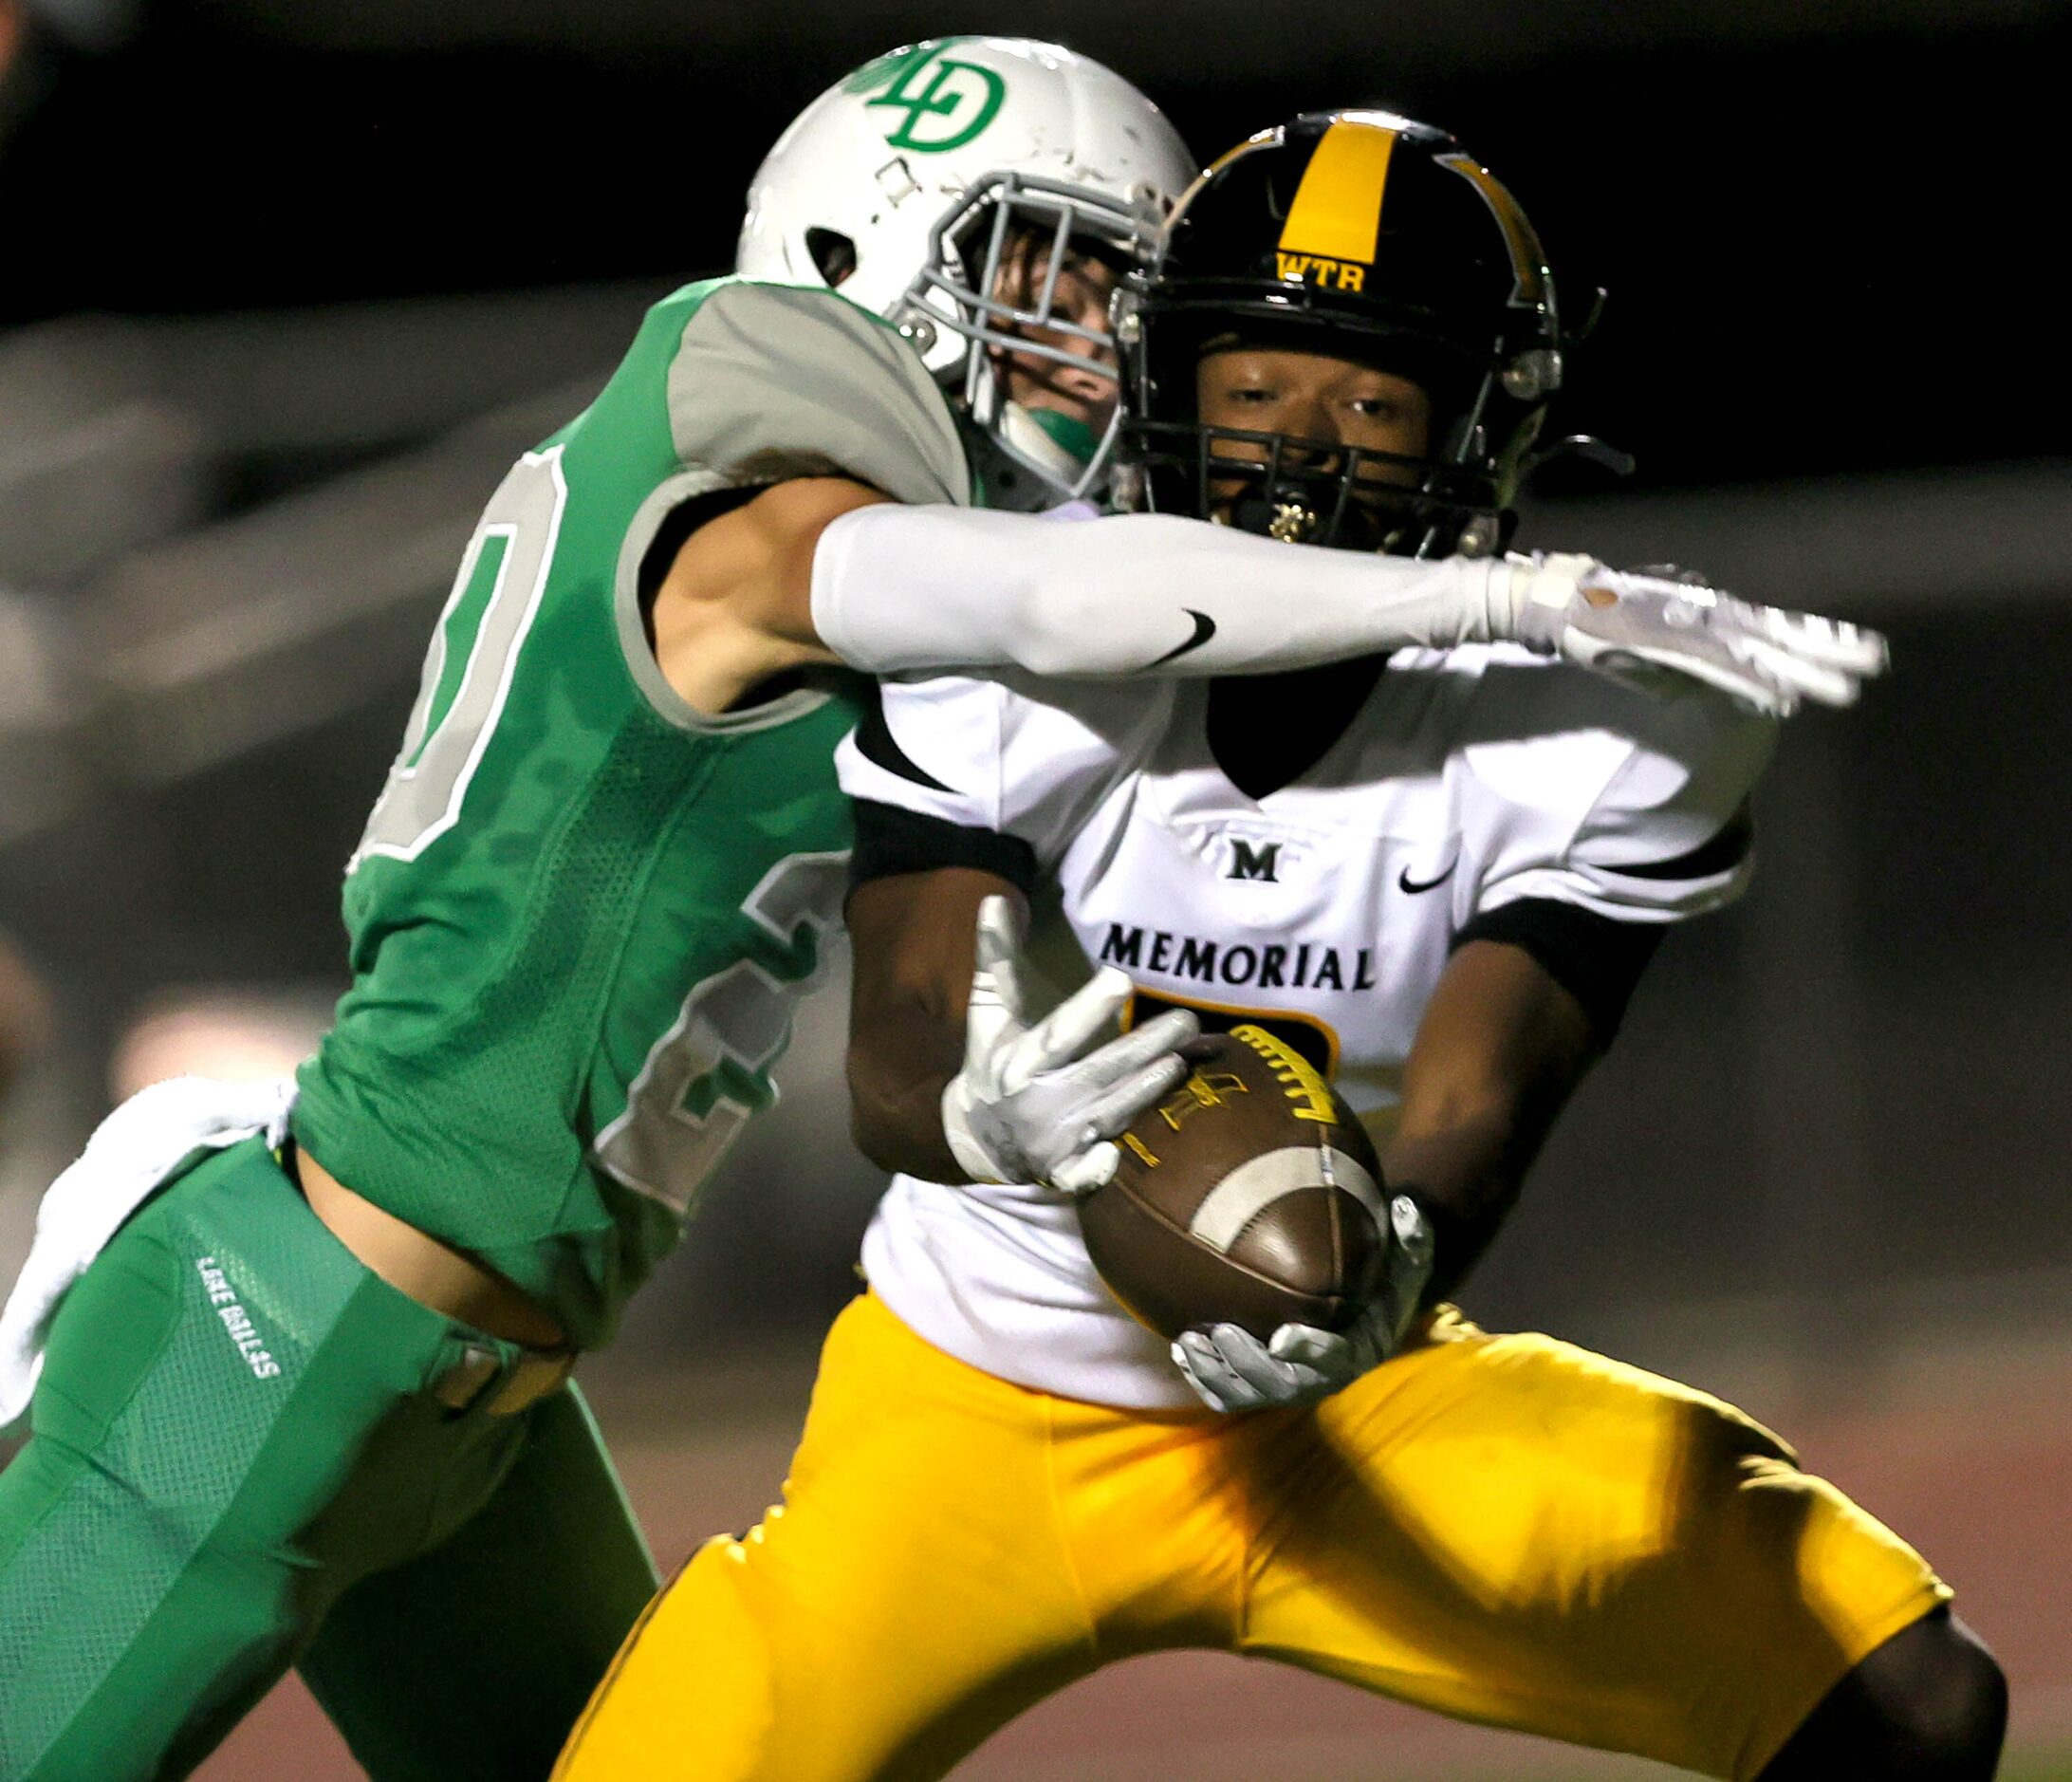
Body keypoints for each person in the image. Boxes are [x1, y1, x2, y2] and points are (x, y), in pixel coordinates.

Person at [0, 42, 1884, 1775]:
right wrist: (1496, 602)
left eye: (1111, 295)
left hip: (482, 1399)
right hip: (301, 1318)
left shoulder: (894, 589)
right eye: (1050, 273)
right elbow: (1076, 603)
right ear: (875, 238)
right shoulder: (751, 474)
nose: (1089, 338)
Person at [549, 113, 2000, 1782]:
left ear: (1481, 427)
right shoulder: (1039, 628)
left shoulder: (1607, 719)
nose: (1300, 451)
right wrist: (976, 1112)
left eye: (1372, 402)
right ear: (1162, 383)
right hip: (974, 1407)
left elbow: (1484, 1091)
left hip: (1339, 1416)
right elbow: (904, 1038)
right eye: (1253, 389)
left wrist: (1396, 1266)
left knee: (1907, 1697)